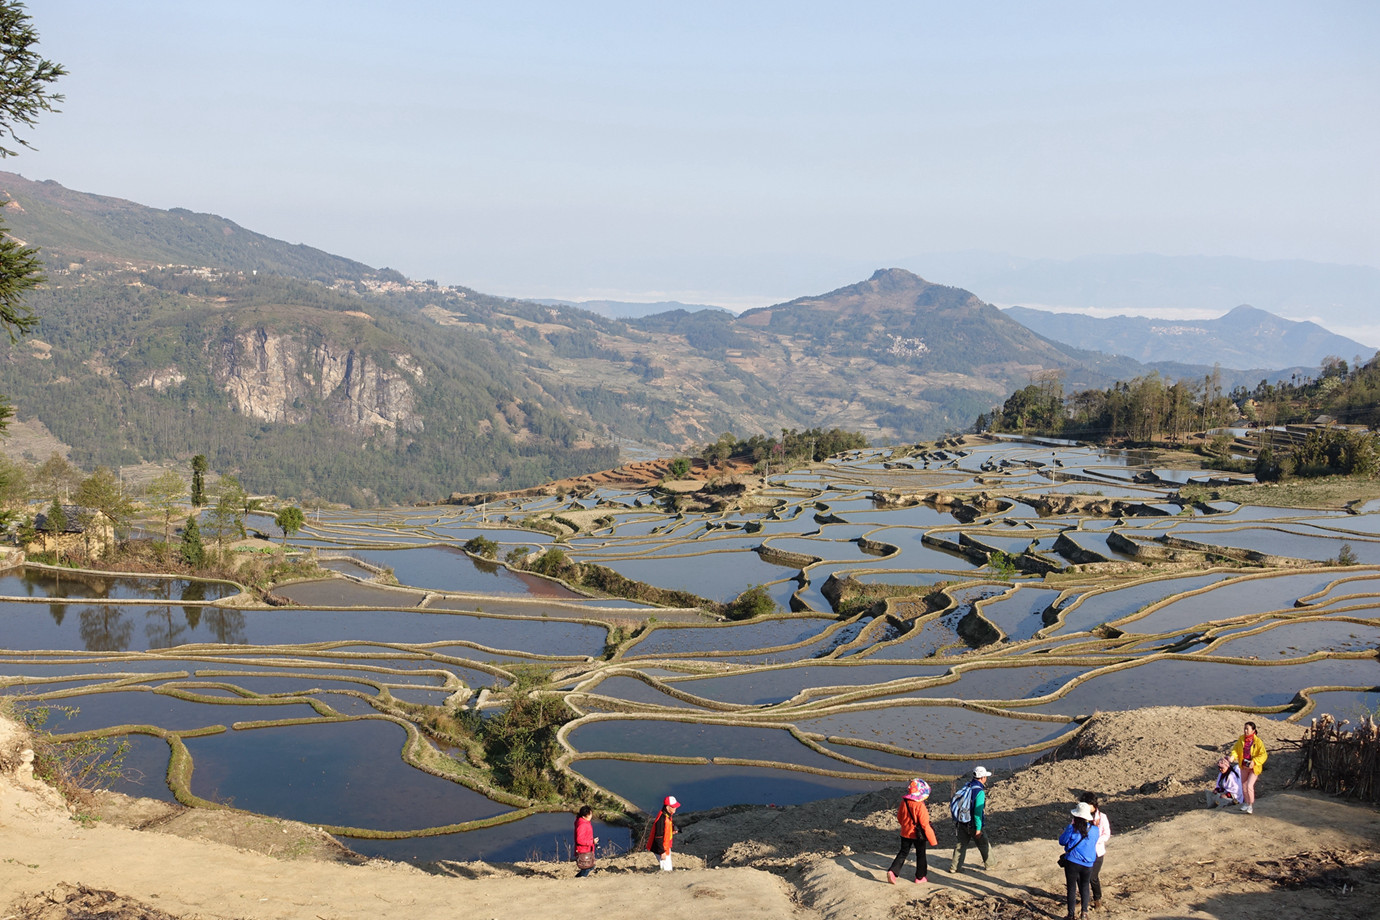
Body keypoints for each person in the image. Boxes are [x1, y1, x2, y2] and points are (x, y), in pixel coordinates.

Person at [887, 778, 938, 885]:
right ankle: (920, 877)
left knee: (903, 852)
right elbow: (925, 824)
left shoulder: (904, 802)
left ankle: (892, 871)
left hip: (905, 832)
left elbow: (899, 817)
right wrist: (933, 840)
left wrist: (905, 826)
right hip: (917, 835)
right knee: (920, 855)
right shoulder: (920, 805)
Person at [1059, 801, 1101, 920]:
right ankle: (1084, 913)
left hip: (1072, 861)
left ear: (1076, 816)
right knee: (1085, 887)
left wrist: (1064, 833)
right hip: (1088, 863)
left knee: (1071, 888)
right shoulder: (1095, 830)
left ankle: (1071, 915)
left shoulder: (1071, 828)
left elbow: (1062, 841)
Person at [949, 765, 992, 873]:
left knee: (960, 846)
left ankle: (954, 867)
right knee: (984, 844)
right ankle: (990, 864)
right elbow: (978, 813)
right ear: (983, 778)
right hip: (973, 824)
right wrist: (978, 829)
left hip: (962, 823)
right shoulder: (979, 792)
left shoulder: (967, 786)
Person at [1078, 792, 1110, 910]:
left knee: (1092, 877)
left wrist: (1094, 841)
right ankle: (1083, 899)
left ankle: (1097, 898)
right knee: (1080, 877)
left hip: (1096, 852)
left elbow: (1106, 834)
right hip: (1083, 851)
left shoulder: (1102, 817)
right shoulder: (1079, 817)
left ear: (1094, 805)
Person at [1231, 720, 1267, 814]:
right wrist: (1233, 756)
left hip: (1253, 768)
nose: (1245, 731)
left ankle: (1250, 804)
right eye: (1245, 729)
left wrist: (1254, 762)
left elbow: (1263, 755)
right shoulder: (1241, 739)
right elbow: (1235, 749)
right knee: (1243, 786)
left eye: (1247, 729)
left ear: (1253, 730)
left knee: (1249, 785)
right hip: (1244, 766)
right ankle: (1246, 803)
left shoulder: (1258, 742)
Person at [646, 795, 680, 871]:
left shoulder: (666, 815)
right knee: (667, 870)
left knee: (667, 868)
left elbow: (664, 830)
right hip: (661, 848)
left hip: (665, 846)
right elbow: (658, 837)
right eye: (673, 806)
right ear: (667, 807)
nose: (675, 808)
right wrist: (662, 852)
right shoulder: (662, 819)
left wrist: (671, 831)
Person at [574, 805, 599, 878]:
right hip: (584, 850)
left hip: (587, 849)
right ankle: (579, 879)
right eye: (590, 814)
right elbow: (579, 840)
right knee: (588, 867)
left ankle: (577, 878)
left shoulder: (583, 822)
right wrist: (592, 842)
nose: (591, 816)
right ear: (584, 816)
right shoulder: (582, 825)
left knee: (589, 866)